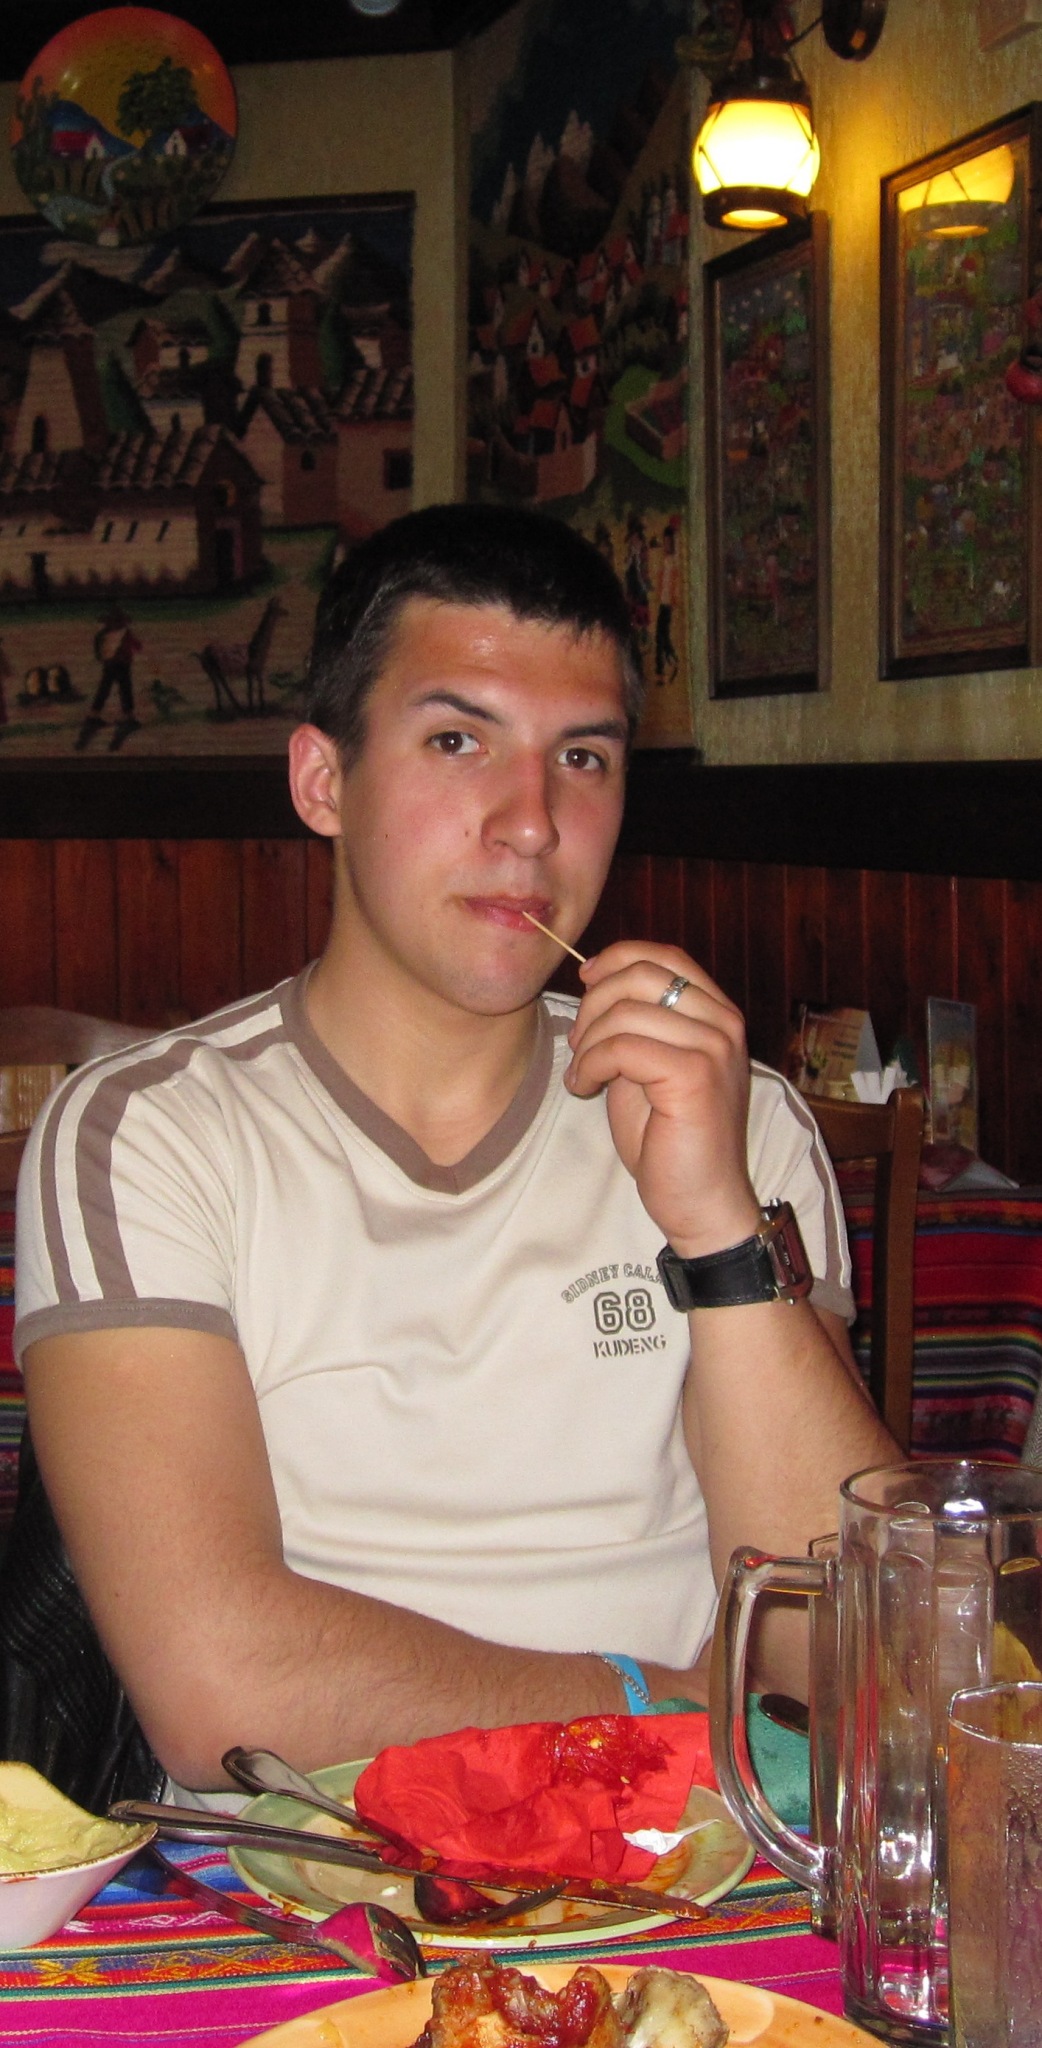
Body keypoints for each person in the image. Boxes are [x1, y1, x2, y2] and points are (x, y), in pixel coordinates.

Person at [14, 503, 895, 1797]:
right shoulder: (147, 1134)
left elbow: (837, 1648)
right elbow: (226, 1693)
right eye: (456, 741)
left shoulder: (738, 1117)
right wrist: (662, 1709)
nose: (531, 823)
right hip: (312, 1869)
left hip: (699, 1859)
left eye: (581, 758)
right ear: (323, 782)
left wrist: (715, 1227)